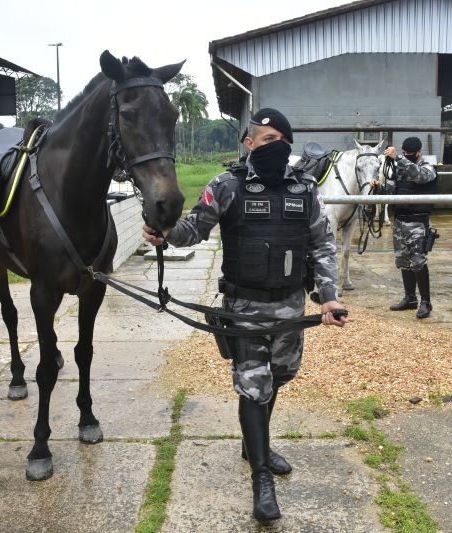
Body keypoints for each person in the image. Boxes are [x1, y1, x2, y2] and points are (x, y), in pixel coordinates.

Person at [142, 108, 347, 522]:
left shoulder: (306, 189)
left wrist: (327, 297)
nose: (273, 145)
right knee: (254, 388)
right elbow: (195, 228)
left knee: (280, 377)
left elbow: (322, 244)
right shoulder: (227, 184)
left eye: (280, 139)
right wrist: (165, 233)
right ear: (248, 143)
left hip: (291, 308)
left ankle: (255, 443)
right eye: (264, 138)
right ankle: (261, 478)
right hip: (245, 309)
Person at [374, 136, 438, 319]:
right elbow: (393, 190)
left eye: (409, 154)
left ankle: (426, 301)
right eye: (404, 153)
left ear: (419, 152)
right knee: (403, 261)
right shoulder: (400, 167)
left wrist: (399, 159)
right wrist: (378, 188)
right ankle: (410, 299)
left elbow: (420, 176)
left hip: (418, 222)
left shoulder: (428, 166)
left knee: (418, 261)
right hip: (400, 221)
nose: (406, 156)